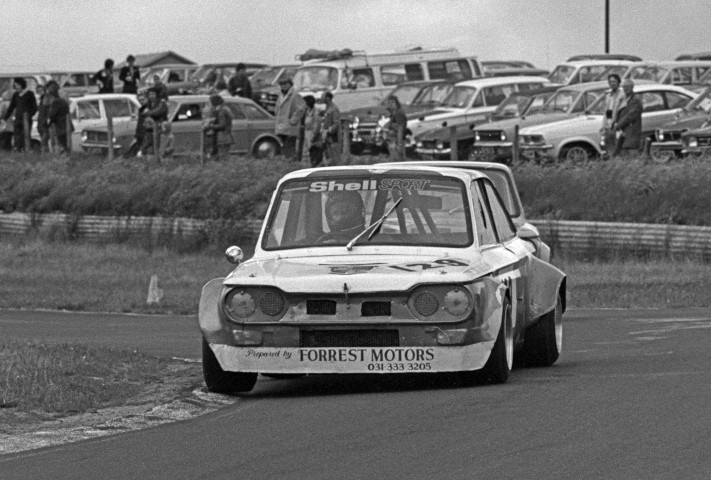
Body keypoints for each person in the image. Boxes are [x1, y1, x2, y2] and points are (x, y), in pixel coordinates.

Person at [2, 77, 37, 151]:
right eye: (15, 85)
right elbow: (11, 107)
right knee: (17, 135)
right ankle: (17, 149)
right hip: (17, 119)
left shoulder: (29, 94)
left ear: (22, 85)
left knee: (25, 134)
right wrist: (5, 118)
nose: (16, 87)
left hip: (26, 119)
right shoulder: (15, 95)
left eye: (18, 85)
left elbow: (34, 107)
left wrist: (29, 115)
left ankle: (25, 149)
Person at [274, 77, 305, 160]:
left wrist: (292, 120)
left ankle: (293, 164)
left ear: (290, 84)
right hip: (281, 126)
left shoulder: (295, 95)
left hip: (290, 127)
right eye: (281, 84)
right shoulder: (280, 95)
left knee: (290, 147)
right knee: (285, 148)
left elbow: (301, 108)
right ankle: (289, 163)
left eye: (285, 84)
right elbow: (277, 108)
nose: (283, 86)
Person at [613, 79, 643, 157]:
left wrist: (618, 125)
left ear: (632, 87)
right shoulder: (624, 98)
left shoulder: (635, 100)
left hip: (631, 131)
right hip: (623, 132)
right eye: (623, 87)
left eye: (627, 87)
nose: (625, 89)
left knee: (629, 155)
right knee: (619, 153)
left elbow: (630, 116)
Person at [203, 94, 233, 160]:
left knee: (223, 157)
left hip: (222, 137)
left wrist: (211, 126)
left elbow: (222, 125)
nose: (209, 104)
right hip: (227, 136)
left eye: (210, 102)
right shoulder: (225, 108)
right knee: (225, 156)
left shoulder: (221, 110)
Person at [140, 88, 168, 155]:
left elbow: (158, 111)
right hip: (150, 129)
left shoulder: (161, 103)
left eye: (153, 94)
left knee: (157, 145)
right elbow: (142, 112)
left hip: (160, 127)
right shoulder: (148, 104)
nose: (151, 96)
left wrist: (148, 113)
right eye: (150, 94)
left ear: (156, 95)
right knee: (147, 147)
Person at [601, 73, 624, 156]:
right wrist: (604, 125)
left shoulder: (622, 94)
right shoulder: (608, 95)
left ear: (618, 82)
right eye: (610, 82)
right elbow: (606, 111)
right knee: (608, 146)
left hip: (617, 123)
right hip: (609, 123)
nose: (612, 83)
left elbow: (622, 110)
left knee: (618, 146)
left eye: (614, 81)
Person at [46, 80, 72, 153]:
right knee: (66, 143)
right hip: (65, 124)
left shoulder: (57, 100)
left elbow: (52, 114)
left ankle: (63, 157)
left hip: (61, 125)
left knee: (62, 144)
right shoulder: (60, 99)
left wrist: (49, 121)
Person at [321, 91, 341, 165]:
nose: (321, 98)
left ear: (328, 98)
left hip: (333, 138)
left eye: (323, 96)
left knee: (335, 159)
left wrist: (328, 131)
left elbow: (336, 124)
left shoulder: (334, 109)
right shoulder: (327, 108)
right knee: (329, 159)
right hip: (328, 138)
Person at [386, 95, 407, 161]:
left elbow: (400, 129)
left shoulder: (399, 113)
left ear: (396, 103)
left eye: (393, 102)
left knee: (398, 161)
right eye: (389, 103)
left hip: (397, 141)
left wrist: (399, 145)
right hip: (392, 141)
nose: (391, 104)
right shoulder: (393, 113)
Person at [36, 84, 50, 152]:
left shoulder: (47, 98)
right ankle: (46, 154)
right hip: (40, 122)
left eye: (41, 90)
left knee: (44, 141)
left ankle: (45, 153)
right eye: (38, 91)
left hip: (45, 123)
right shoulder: (40, 99)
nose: (40, 92)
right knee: (44, 140)